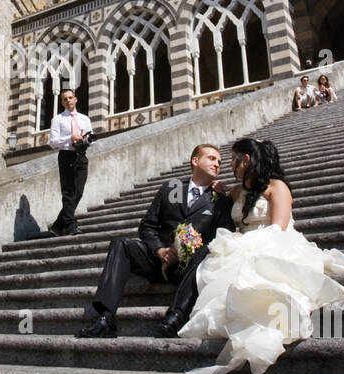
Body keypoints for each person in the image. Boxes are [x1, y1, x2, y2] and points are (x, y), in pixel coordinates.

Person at [179, 138, 344, 374]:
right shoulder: (237, 191)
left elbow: (278, 229)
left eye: (232, 159)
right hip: (242, 241)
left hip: (273, 242)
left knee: (257, 278)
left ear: (245, 160)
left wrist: (247, 245)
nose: (228, 164)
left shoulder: (277, 187)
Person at [76, 143, 234, 338]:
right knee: (121, 244)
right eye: (211, 158)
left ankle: (175, 317)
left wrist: (188, 250)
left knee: (206, 251)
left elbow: (223, 237)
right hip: (157, 259)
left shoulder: (220, 200)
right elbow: (147, 226)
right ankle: (105, 319)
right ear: (195, 161)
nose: (217, 164)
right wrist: (160, 250)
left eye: (219, 161)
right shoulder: (172, 187)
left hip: (189, 268)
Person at [47, 88, 93, 236]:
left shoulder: (85, 119)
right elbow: (53, 142)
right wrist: (70, 139)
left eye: (70, 97)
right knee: (68, 192)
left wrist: (85, 141)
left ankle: (57, 226)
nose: (68, 100)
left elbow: (90, 138)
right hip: (66, 156)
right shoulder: (58, 119)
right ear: (62, 102)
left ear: (76, 99)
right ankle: (71, 225)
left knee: (78, 192)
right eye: (65, 99)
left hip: (81, 156)